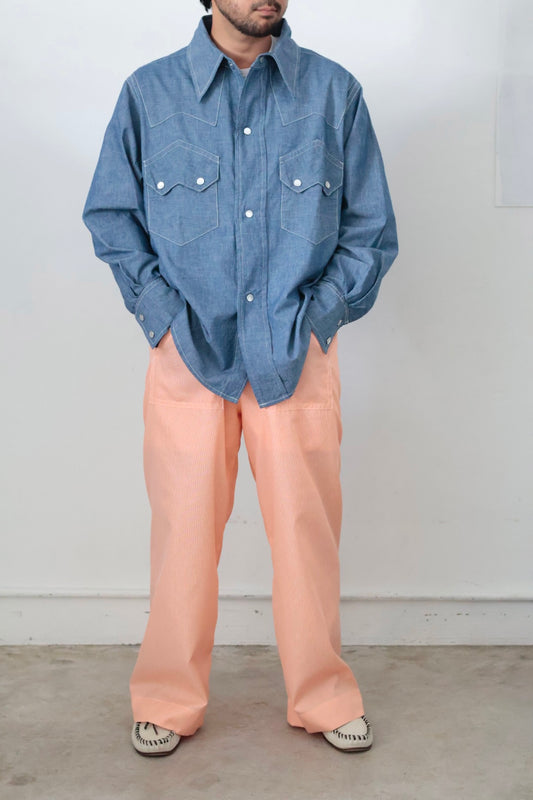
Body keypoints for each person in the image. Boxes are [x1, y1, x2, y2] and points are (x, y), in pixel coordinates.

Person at [82, 0, 398, 757]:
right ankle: (166, 699)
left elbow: (370, 228)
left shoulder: (334, 92)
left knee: (306, 536)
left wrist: (321, 318)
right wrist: (161, 317)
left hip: (294, 353)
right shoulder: (149, 93)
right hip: (187, 355)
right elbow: (112, 215)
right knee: (183, 538)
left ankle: (322, 696)